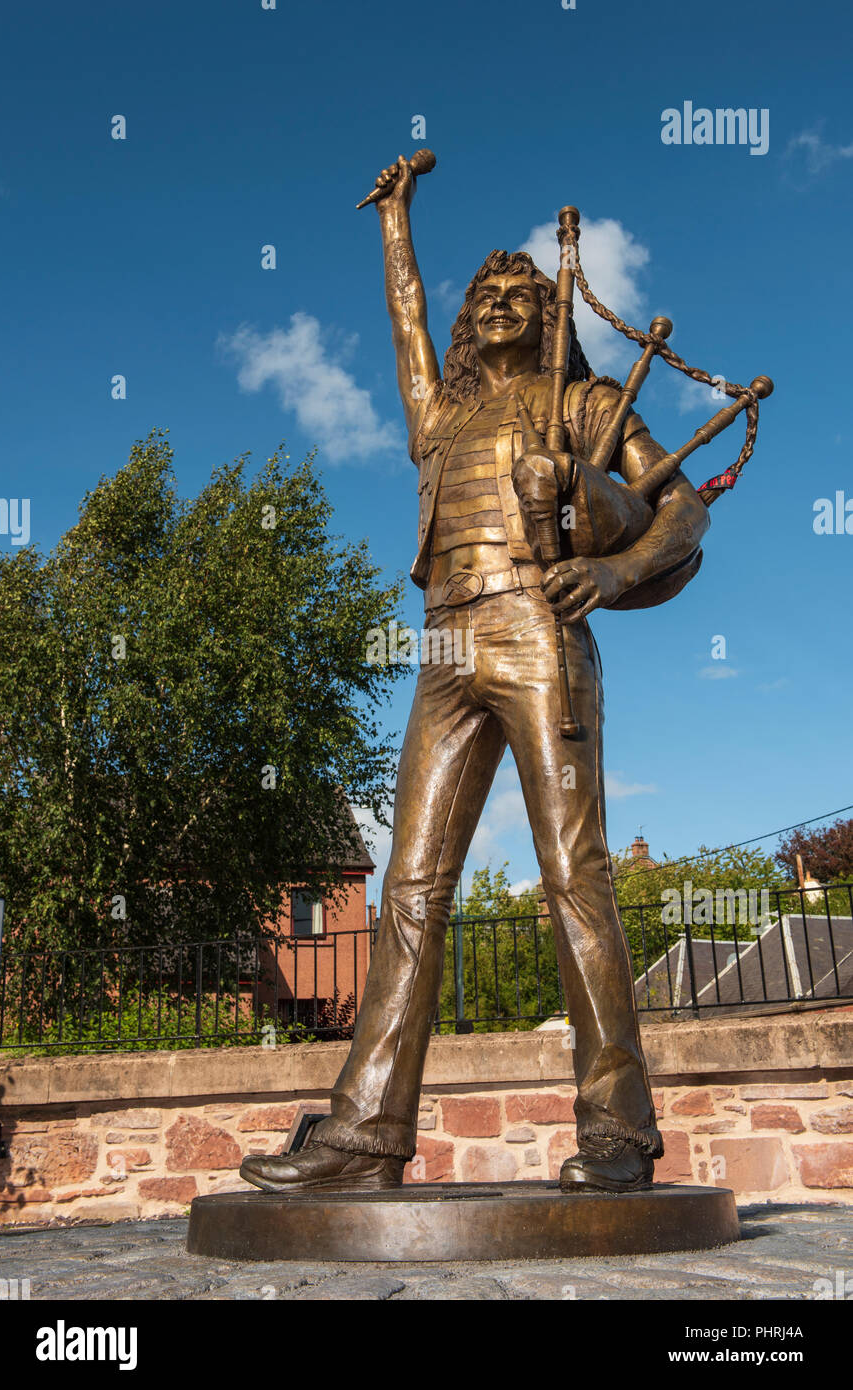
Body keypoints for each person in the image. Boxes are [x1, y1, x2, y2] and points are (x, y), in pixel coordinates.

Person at [241, 156, 708, 1195]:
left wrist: (610, 558)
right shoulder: (439, 420)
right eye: (484, 295)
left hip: (540, 628)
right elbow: (405, 320)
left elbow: (682, 513)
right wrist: (396, 223)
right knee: (408, 886)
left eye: (520, 293)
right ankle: (365, 1137)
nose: (498, 302)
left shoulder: (583, 403)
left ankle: (618, 1132)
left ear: (547, 316)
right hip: (446, 641)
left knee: (575, 877)